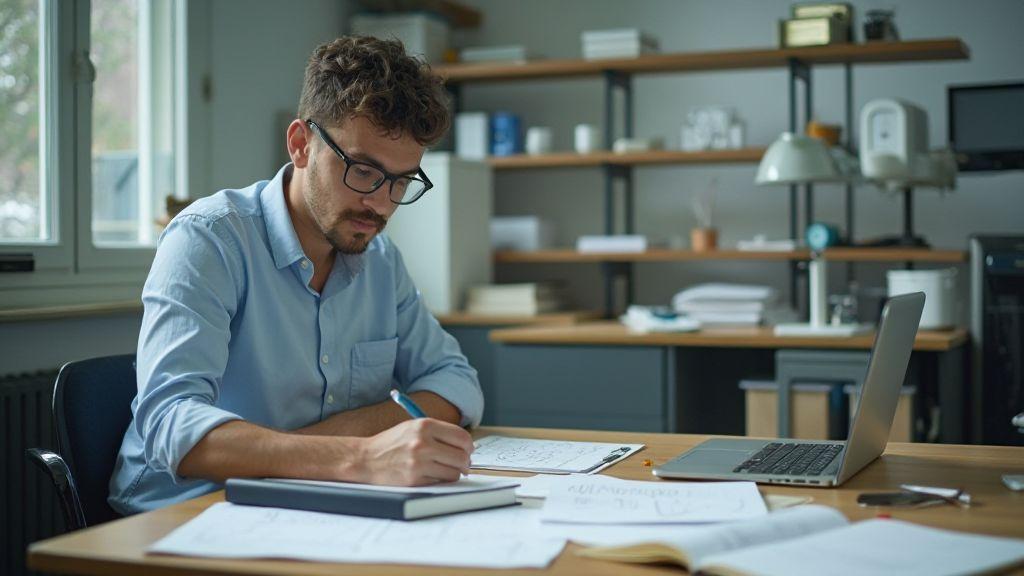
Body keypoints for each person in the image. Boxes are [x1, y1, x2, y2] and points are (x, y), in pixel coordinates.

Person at [109, 36, 482, 514]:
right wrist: (359, 456)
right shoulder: (208, 240)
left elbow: (456, 382)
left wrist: (314, 451)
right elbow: (170, 424)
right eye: (364, 171)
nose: (381, 203)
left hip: (313, 501)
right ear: (301, 144)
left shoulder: (381, 261)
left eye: (402, 180)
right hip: (189, 510)